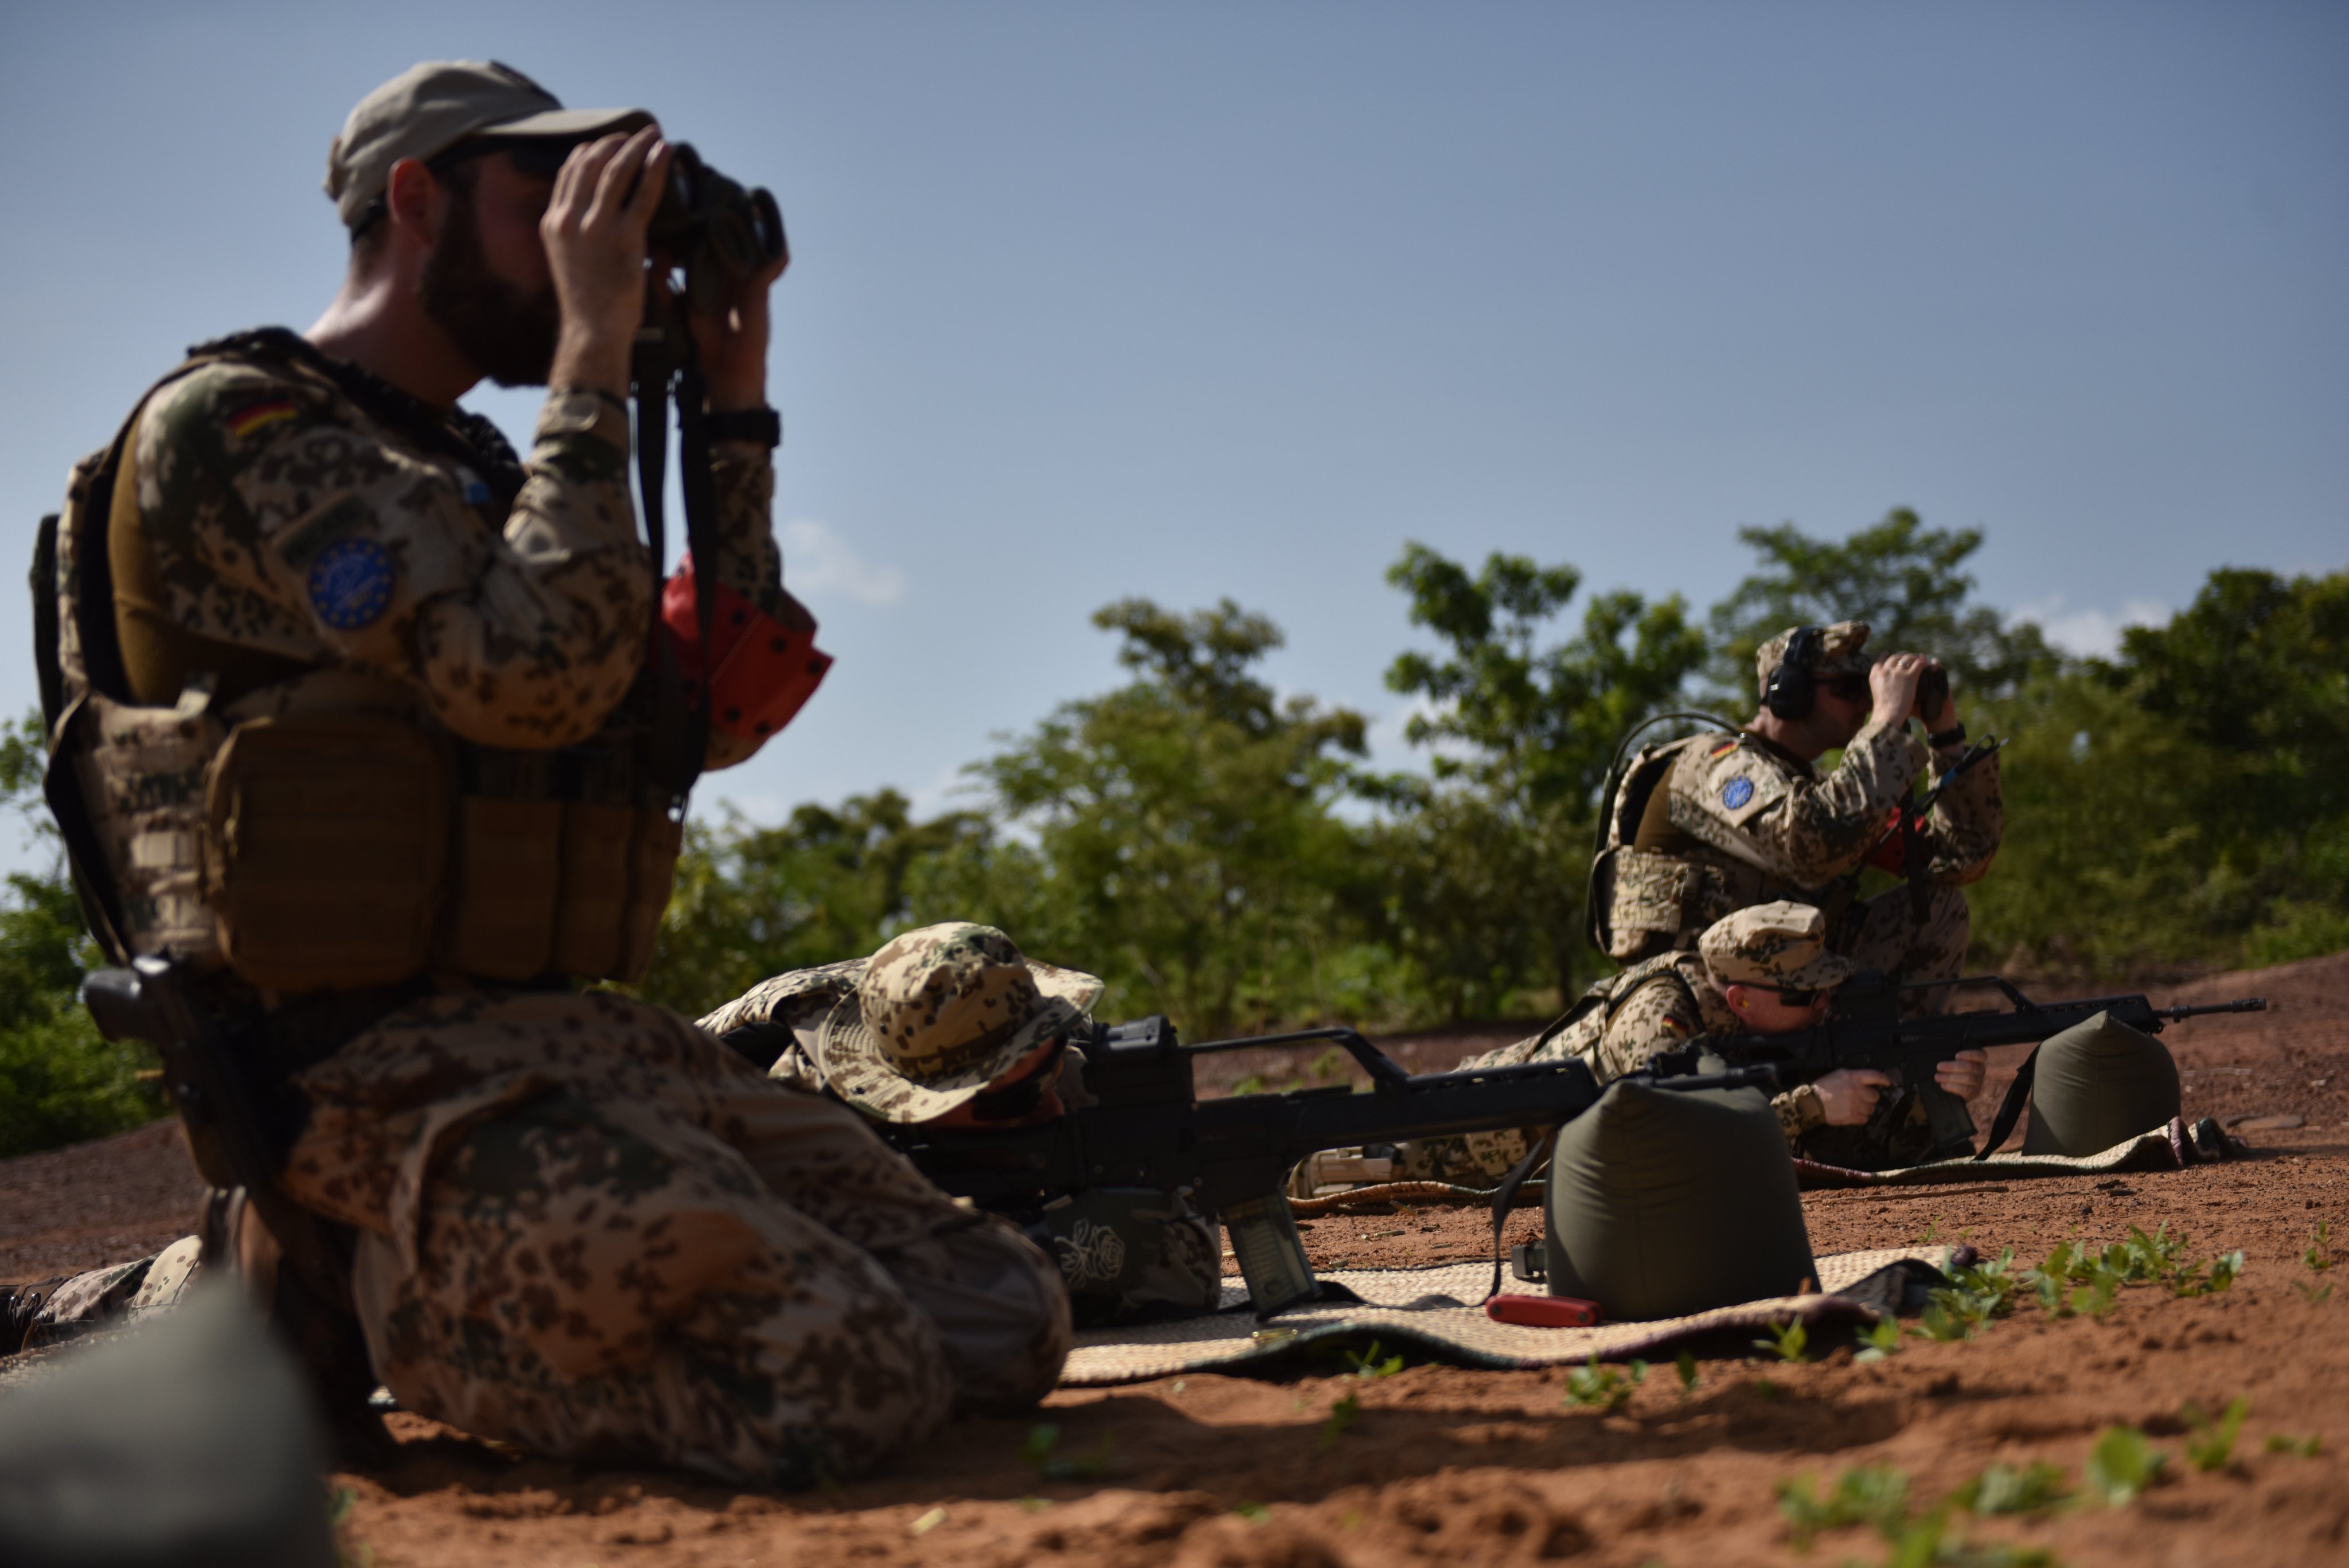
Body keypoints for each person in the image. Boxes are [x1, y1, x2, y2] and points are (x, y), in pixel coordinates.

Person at [36, 61, 1066, 1485]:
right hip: (363, 1073)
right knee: (846, 1378)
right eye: (556, 191)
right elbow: (528, 682)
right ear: (416, 200)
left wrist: (733, 404)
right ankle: (337, 1284)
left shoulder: (466, 468)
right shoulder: (242, 430)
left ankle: (344, 1281)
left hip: (555, 1045)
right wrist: (591, 359)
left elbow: (693, 716)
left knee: (1005, 1319)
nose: (605, 230)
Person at [699, 923, 1222, 1323]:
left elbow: (1186, 1262)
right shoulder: (785, 1122)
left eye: (1049, 1063)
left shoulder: (1042, 1042)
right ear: (914, 1106)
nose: (1053, 1109)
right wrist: (1014, 1249)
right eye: (1009, 1099)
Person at [1394, 902, 1989, 1182]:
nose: (1824, 1005)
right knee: (1339, 1163)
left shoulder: (1772, 1019)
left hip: (1546, 1148)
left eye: (1826, 987)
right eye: (1807, 996)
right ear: (1741, 1001)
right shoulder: (1659, 1022)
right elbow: (1670, 1141)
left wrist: (1928, 1095)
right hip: (1462, 1136)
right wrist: (1809, 1104)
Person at [1592, 621, 2002, 1010]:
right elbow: (1811, 845)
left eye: (1868, 690)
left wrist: (1945, 735)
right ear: (1788, 691)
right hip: (1701, 998)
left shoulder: (1826, 791)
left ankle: (1889, 1073)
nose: (1866, 702)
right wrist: (1886, 723)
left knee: (1939, 907)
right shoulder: (1712, 762)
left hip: (1787, 994)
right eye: (1848, 688)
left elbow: (1958, 860)